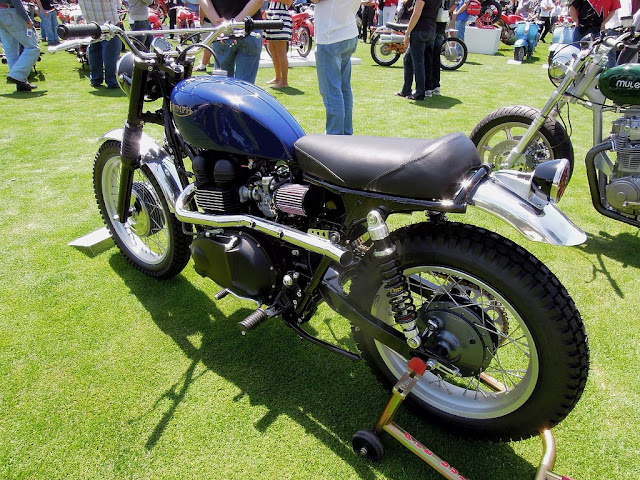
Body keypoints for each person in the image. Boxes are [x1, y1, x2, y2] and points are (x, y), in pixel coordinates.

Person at [310, 0, 361, 135]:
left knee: (332, 91)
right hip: (348, 31)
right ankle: (345, 134)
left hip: (330, 35)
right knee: (344, 88)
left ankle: (335, 136)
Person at [197, 0, 263, 83]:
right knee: (245, 85)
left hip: (223, 28)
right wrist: (233, 24)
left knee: (222, 84)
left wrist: (219, 23)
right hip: (247, 28)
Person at [395, 0, 438, 100]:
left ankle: (419, 93)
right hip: (431, 29)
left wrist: (407, 33)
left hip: (420, 30)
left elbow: (416, 13)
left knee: (418, 63)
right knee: (408, 59)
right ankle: (406, 90)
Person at [78, 0, 122, 88]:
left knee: (94, 50)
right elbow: (118, 4)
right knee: (111, 54)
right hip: (109, 22)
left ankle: (95, 78)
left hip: (91, 22)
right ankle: (112, 80)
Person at [0, 0, 41, 91]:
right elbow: (16, 2)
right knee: (33, 47)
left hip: (2, 14)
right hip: (9, 12)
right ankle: (17, 75)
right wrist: (27, 19)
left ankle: (20, 83)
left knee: (11, 50)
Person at [265, 0, 293, 88]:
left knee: (281, 51)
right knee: (272, 48)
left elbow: (289, 2)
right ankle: (278, 77)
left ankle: (284, 81)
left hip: (281, 17)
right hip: (272, 15)